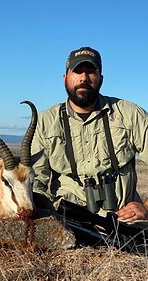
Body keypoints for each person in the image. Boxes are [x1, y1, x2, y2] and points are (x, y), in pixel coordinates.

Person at [31, 46, 148, 222]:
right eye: (77, 71)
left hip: (124, 220)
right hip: (68, 218)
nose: (84, 78)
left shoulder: (129, 114)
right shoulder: (45, 121)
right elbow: (35, 180)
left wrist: (146, 208)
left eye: (91, 71)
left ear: (100, 79)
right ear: (65, 78)